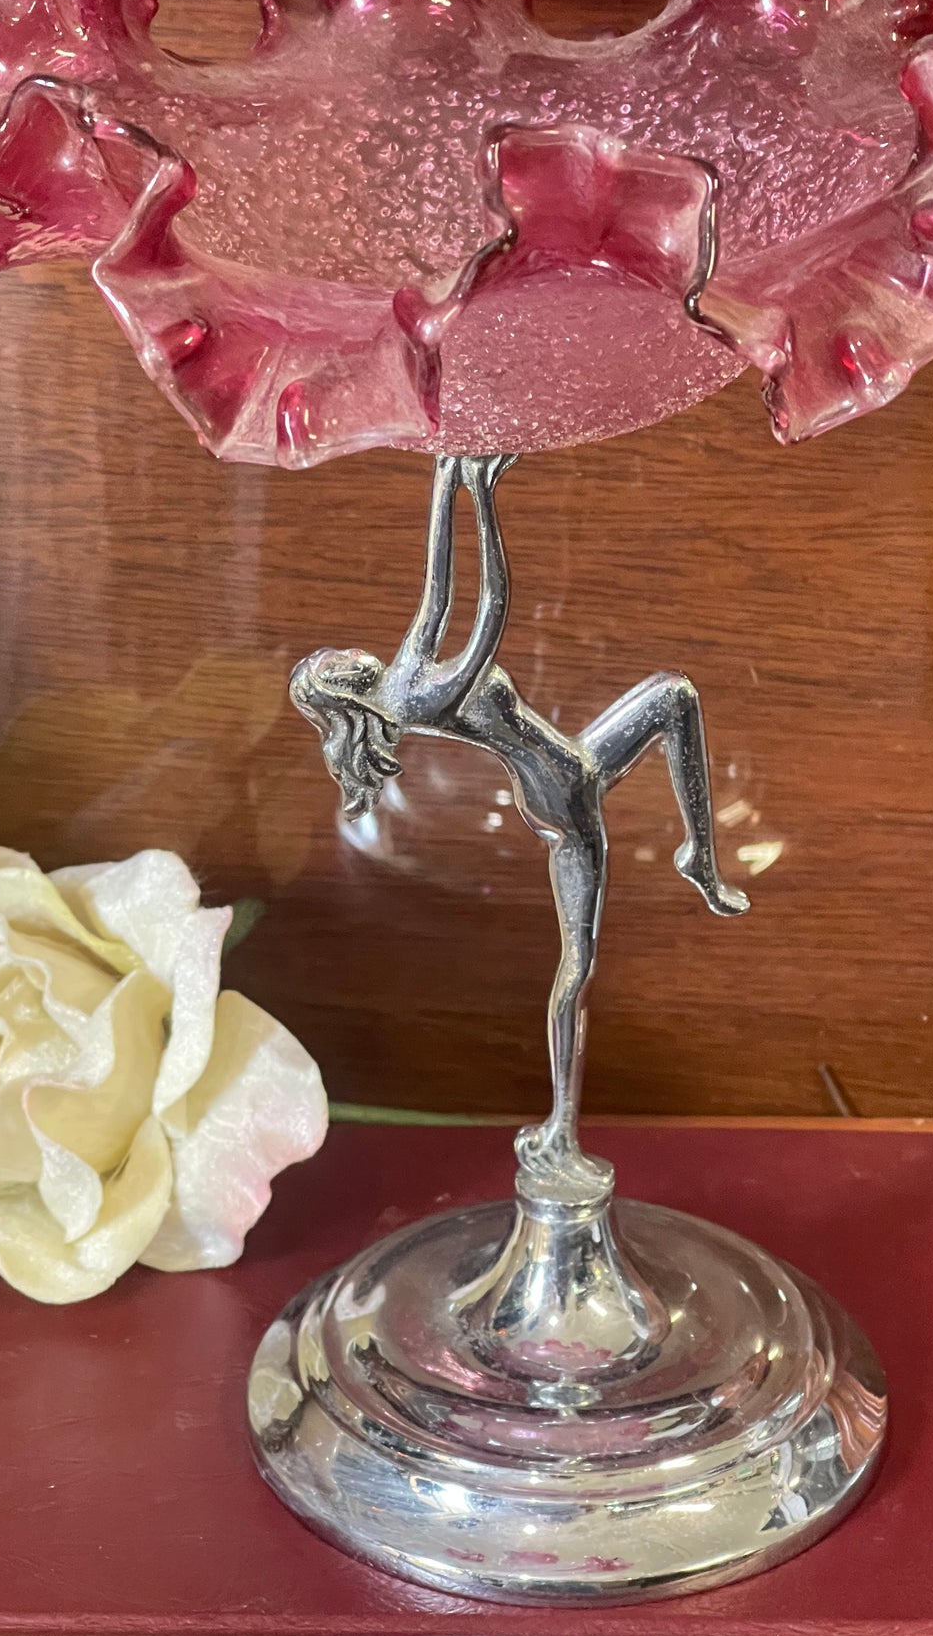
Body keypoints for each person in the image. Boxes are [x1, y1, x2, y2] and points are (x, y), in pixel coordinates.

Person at [291, 453, 749, 1202]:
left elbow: (438, 591)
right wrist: (486, 501)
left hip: (574, 762)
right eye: (330, 662)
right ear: (341, 686)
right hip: (562, 801)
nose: (340, 650)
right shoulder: (410, 698)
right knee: (577, 966)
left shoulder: (403, 672)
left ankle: (698, 853)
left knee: (674, 694)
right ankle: (559, 1127)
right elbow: (489, 614)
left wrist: (451, 480)